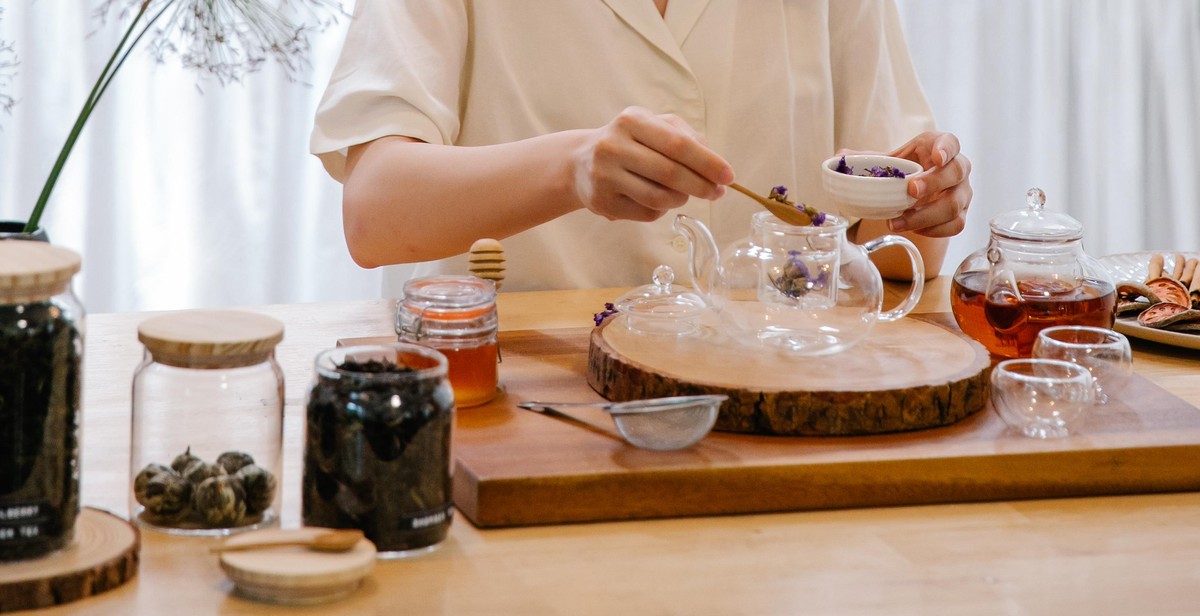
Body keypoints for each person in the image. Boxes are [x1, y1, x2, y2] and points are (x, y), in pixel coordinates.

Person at [310, 1, 972, 296]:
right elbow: (375, 214)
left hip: (768, 403)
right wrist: (572, 168)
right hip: (524, 404)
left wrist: (923, 198)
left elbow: (904, 255)